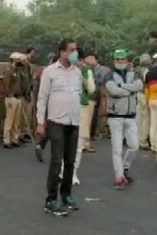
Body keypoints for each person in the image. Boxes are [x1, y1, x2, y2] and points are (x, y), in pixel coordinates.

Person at [36, 39, 82, 216]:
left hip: (73, 121)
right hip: (56, 121)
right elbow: (42, 97)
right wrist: (41, 122)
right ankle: (51, 199)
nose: (74, 53)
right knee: (56, 160)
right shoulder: (50, 72)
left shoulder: (77, 73)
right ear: (62, 52)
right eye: (71, 50)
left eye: (75, 50)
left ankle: (66, 194)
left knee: (70, 161)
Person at [104, 49, 143, 189]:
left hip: (131, 116)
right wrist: (130, 90)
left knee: (134, 146)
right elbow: (113, 91)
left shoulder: (134, 73)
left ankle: (125, 168)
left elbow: (139, 85)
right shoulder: (109, 75)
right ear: (114, 60)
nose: (121, 62)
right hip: (115, 117)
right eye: (118, 59)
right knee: (117, 149)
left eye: (123, 59)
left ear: (127, 60)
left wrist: (122, 86)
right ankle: (119, 177)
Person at [59, 50, 97, 185]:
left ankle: (72, 173)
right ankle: (64, 172)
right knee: (66, 141)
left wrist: (82, 76)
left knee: (78, 143)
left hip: (81, 107)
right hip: (68, 107)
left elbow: (91, 89)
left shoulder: (86, 71)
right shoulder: (64, 69)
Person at [34, 54, 59, 162]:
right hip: (54, 104)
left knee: (49, 126)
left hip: (46, 103)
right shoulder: (53, 73)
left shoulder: (44, 72)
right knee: (56, 128)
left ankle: (41, 144)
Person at [3, 52, 28, 149]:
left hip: (18, 97)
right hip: (11, 97)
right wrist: (8, 96)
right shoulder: (9, 70)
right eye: (20, 61)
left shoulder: (18, 71)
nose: (21, 63)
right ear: (15, 60)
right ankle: (6, 140)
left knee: (16, 121)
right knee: (9, 120)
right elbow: (6, 85)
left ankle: (14, 139)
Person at [88, 54, 111, 151]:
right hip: (92, 93)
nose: (89, 60)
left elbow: (104, 80)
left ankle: (98, 131)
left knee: (101, 111)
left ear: (96, 60)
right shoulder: (87, 69)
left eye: (91, 58)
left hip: (101, 92)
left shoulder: (103, 69)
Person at [144, 52, 157, 167]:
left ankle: (153, 145)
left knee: (153, 124)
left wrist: (147, 101)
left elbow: (146, 88)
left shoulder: (149, 73)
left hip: (151, 99)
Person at [20, 47, 36, 142]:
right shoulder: (22, 67)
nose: (33, 56)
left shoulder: (29, 66)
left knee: (28, 113)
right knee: (22, 115)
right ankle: (20, 133)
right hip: (23, 93)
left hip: (29, 92)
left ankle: (26, 131)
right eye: (31, 53)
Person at [137, 53, 152, 150]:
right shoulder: (146, 70)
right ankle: (143, 141)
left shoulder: (138, 70)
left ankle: (138, 139)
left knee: (139, 118)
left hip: (138, 94)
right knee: (146, 118)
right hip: (144, 94)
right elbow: (148, 83)